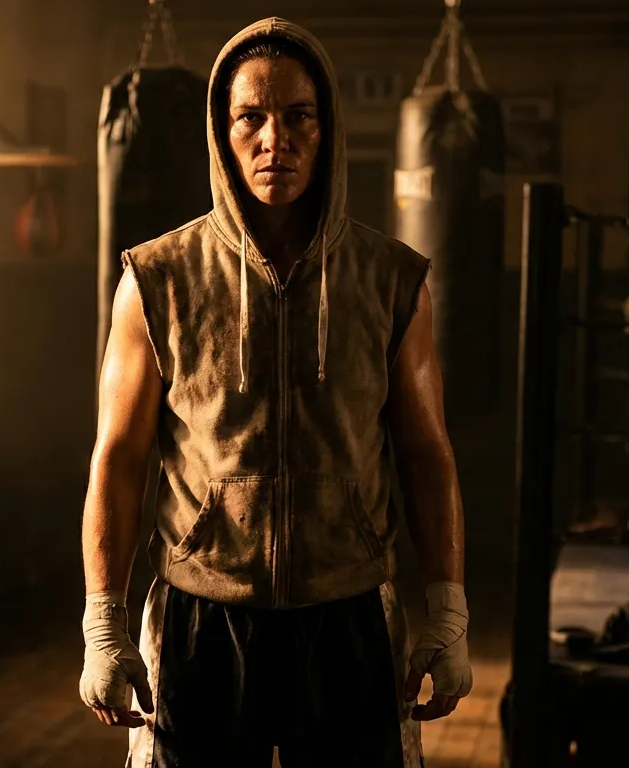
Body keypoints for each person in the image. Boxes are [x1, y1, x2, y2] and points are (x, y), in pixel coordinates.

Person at [79, 17, 472, 768]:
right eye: (250, 118)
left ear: (327, 131)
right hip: (201, 621)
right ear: (222, 132)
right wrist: (105, 621)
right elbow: (119, 460)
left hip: (349, 616)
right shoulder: (156, 279)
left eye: (298, 117)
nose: (274, 139)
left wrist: (447, 610)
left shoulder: (392, 281)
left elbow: (426, 454)